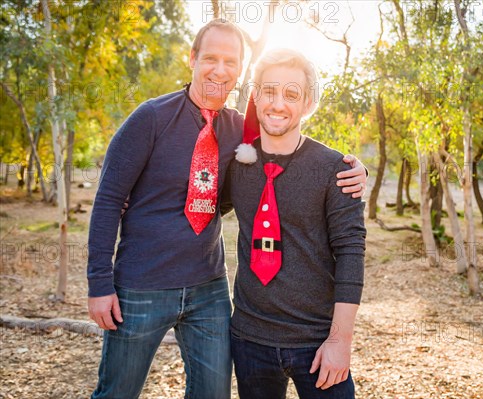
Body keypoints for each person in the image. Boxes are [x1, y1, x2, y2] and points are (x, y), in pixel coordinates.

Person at [86, 19, 367, 399]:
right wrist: (100, 283)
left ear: (240, 72)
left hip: (209, 290)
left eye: (231, 61)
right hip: (141, 286)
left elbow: (289, 141)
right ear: (192, 59)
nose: (220, 70)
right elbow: (107, 201)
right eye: (211, 58)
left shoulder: (239, 131)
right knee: (117, 392)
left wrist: (354, 168)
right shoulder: (150, 118)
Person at [224, 48, 366, 399]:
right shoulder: (237, 164)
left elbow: (351, 252)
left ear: (307, 103)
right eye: (269, 92)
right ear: (255, 96)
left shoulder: (337, 170)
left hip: (316, 343)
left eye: (291, 94)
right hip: (249, 339)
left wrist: (339, 341)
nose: (277, 104)